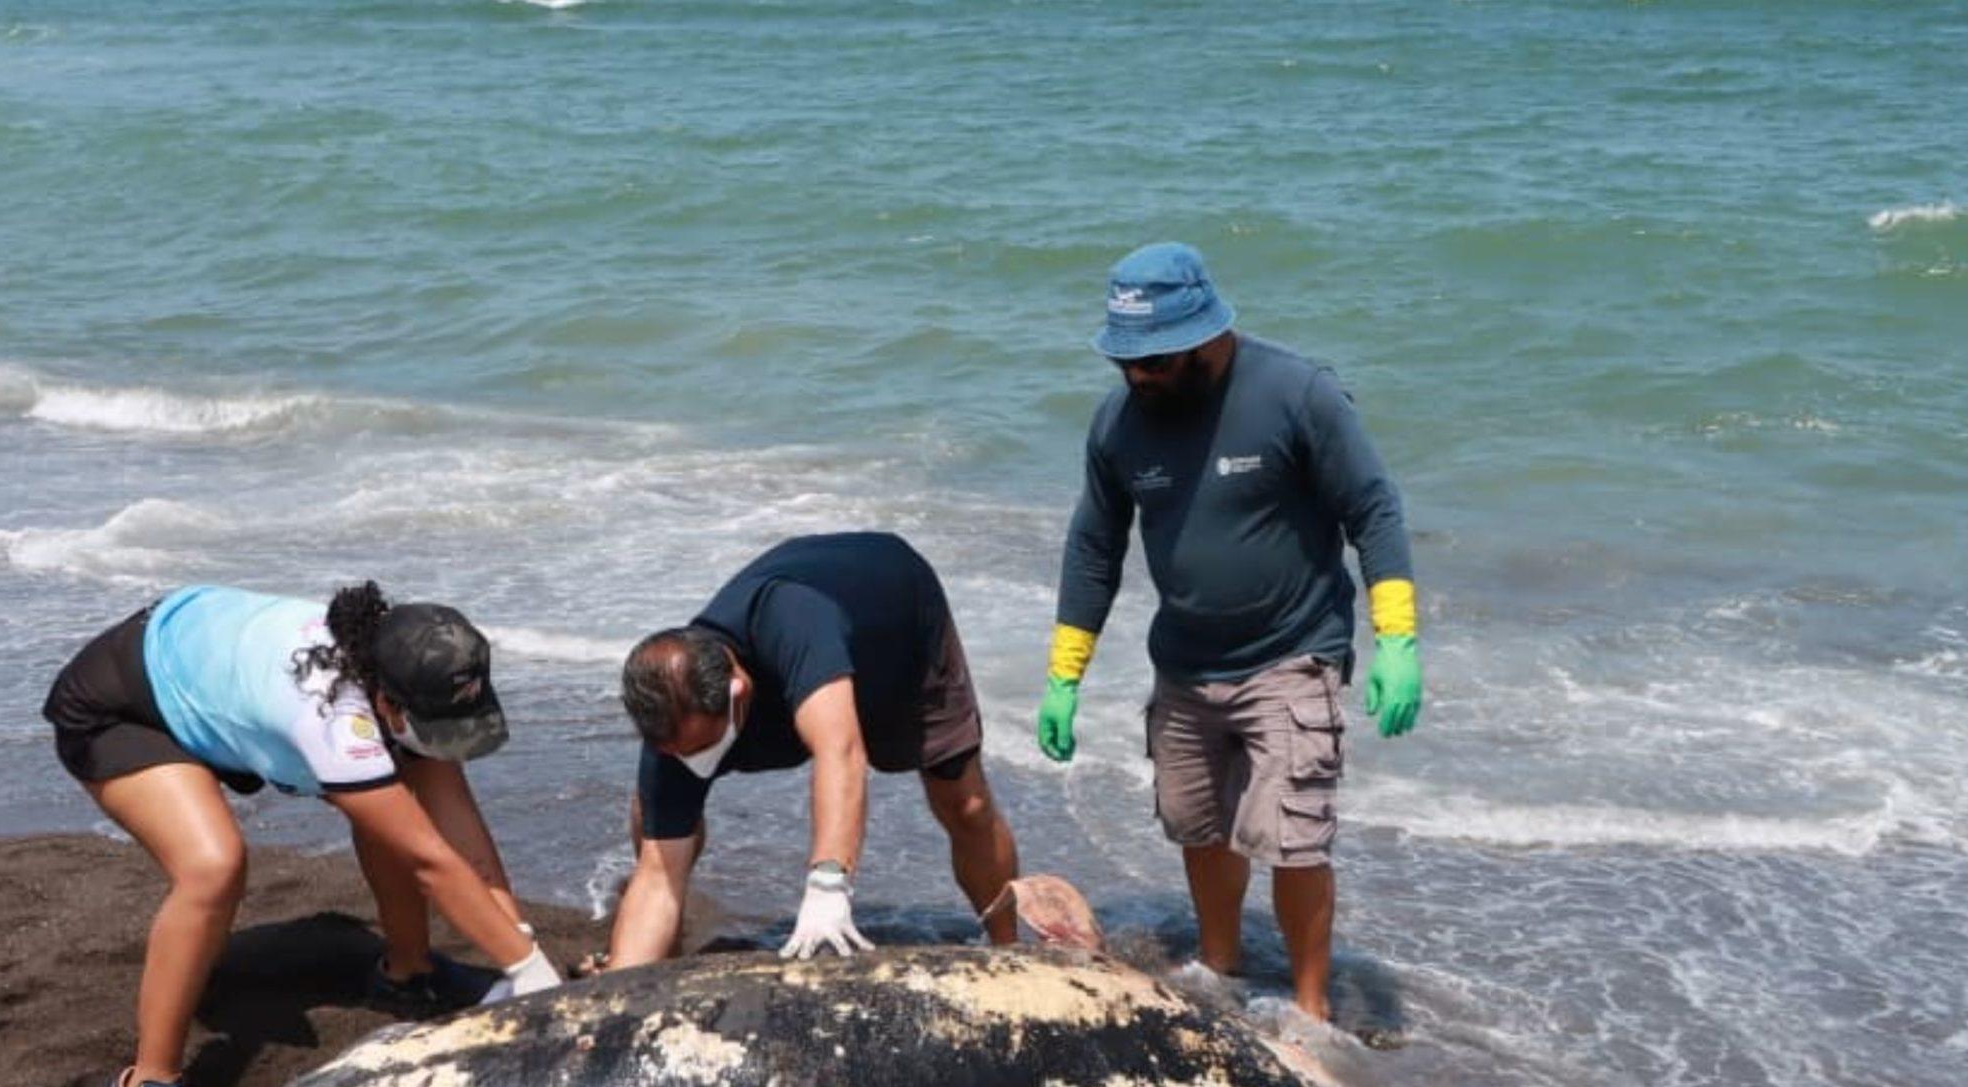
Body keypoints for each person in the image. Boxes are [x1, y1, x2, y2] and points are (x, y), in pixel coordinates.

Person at [1035, 242, 1422, 1024]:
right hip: (1183, 664)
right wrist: (1064, 674)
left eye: (1155, 360)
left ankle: (1314, 1014)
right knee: (1197, 825)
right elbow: (1093, 546)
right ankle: (1223, 971)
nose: (1138, 376)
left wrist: (1398, 639)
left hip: (1292, 652)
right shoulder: (1118, 424)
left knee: (1294, 839)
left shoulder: (1297, 394)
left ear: (1205, 337)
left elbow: (1373, 509)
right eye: (1127, 361)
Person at [42, 582, 561, 1087]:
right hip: (124, 704)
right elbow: (429, 861)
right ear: (386, 701)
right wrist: (529, 971)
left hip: (209, 665)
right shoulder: (331, 713)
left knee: (396, 805)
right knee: (213, 866)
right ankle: (147, 1086)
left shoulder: (408, 671)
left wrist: (523, 953)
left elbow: (465, 847)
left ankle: (409, 974)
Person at [609, 532, 1020, 969]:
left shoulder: (793, 622)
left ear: (739, 691)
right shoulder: (673, 708)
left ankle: (1010, 950)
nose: (692, 761)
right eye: (679, 752)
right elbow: (656, 875)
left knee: (966, 804)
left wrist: (827, 884)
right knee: (659, 811)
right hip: (806, 656)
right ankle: (664, 956)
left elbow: (841, 753)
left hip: (896, 628)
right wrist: (619, 987)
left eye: (704, 748)